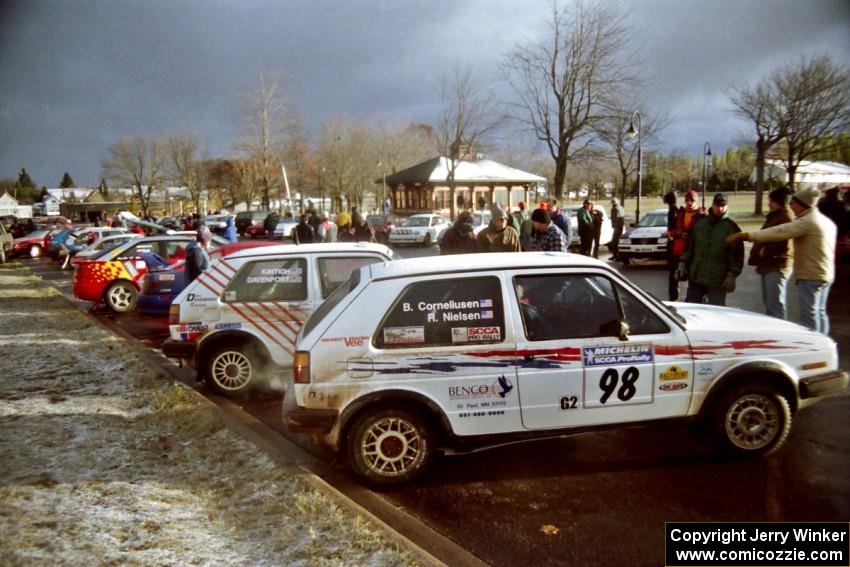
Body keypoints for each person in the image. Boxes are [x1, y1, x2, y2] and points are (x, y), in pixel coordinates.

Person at [726, 187, 837, 334]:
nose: (792, 206)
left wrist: (748, 236)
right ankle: (824, 341)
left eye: (795, 204)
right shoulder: (824, 221)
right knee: (820, 311)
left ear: (803, 204)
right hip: (825, 273)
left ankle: (814, 347)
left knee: (809, 313)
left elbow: (779, 232)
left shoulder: (807, 221)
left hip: (811, 274)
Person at [678, 193, 743, 306]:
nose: (720, 209)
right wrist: (683, 263)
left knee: (716, 312)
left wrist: (732, 275)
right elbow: (689, 246)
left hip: (717, 280)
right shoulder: (700, 223)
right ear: (712, 205)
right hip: (697, 276)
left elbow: (737, 254)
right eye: (717, 205)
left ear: (727, 206)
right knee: (690, 309)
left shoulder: (732, 227)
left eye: (723, 205)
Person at [747, 187, 793, 319]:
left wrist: (764, 251)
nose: (769, 203)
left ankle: (779, 334)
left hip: (776, 265)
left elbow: (783, 243)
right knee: (770, 303)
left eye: (771, 201)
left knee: (775, 305)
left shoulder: (785, 218)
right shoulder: (778, 215)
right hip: (770, 265)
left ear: (779, 202)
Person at [667, 190, 701, 301]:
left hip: (693, 252)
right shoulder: (679, 213)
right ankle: (673, 300)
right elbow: (671, 232)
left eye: (692, 200)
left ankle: (690, 301)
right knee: (673, 278)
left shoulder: (701, 215)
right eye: (687, 200)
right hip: (678, 250)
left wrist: (691, 235)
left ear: (697, 201)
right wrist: (676, 233)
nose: (689, 202)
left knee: (693, 279)